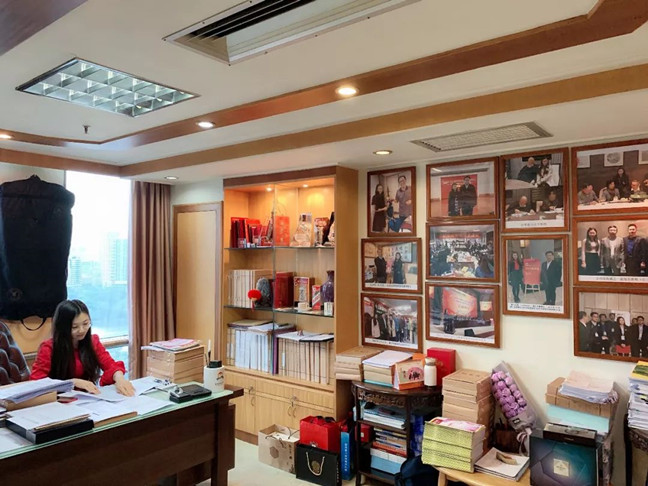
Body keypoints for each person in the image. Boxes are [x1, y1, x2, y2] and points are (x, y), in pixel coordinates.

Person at [31, 300, 135, 396]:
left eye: (85, 324)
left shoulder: (92, 342)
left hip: (87, 398)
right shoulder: (48, 348)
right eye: (74, 327)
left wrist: (119, 378)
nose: (81, 330)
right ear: (62, 327)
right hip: (57, 401)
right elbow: (37, 383)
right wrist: (71, 382)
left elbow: (110, 364)